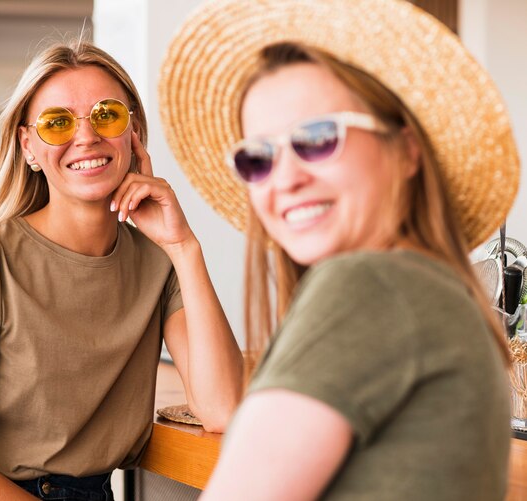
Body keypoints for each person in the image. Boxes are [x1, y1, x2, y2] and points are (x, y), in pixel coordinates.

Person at [159, 0, 520, 499]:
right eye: (259, 155)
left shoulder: (370, 286)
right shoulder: (435, 292)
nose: (286, 178)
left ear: (408, 149)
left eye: (318, 136)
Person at [0, 40, 243, 501]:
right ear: (28, 147)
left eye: (106, 115)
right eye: (57, 123)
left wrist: (183, 246)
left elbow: (224, 409)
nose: (86, 136)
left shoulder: (160, 262)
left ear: (134, 134)